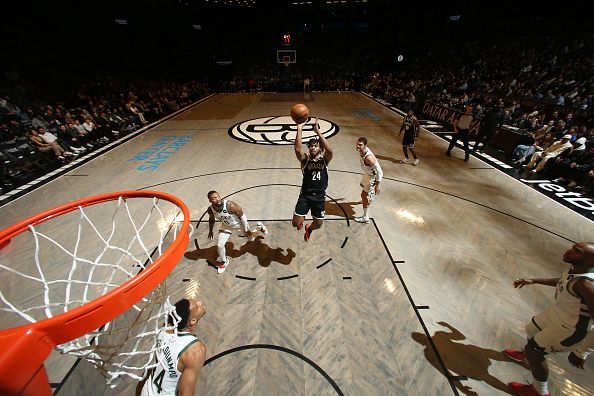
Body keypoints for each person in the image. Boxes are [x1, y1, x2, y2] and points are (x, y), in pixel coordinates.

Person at [503, 242, 594, 396]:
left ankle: (539, 391)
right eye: (572, 247)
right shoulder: (576, 270)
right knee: (531, 329)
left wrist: (582, 352)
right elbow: (563, 281)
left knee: (534, 351)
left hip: (570, 329)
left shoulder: (587, 285)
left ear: (592, 262)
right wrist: (535, 280)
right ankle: (527, 356)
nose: (569, 251)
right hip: (558, 315)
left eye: (576, 251)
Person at [141, 298, 207, 396]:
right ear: (193, 321)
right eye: (197, 306)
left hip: (147, 390)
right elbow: (185, 393)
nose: (200, 302)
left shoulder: (165, 329)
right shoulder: (195, 350)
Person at [207, 191, 268, 274]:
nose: (218, 199)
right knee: (220, 245)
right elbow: (211, 219)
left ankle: (259, 227)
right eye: (214, 198)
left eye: (218, 196)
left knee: (251, 239)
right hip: (226, 226)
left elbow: (243, 216)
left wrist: (246, 229)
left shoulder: (230, 205)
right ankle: (224, 261)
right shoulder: (210, 209)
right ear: (210, 200)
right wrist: (210, 230)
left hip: (238, 225)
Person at [292, 118, 333, 241]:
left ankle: (309, 228)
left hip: (319, 197)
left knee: (318, 224)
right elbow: (298, 150)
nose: (312, 148)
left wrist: (318, 132)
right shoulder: (305, 160)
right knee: (295, 224)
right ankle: (301, 220)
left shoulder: (325, 160)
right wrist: (299, 128)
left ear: (320, 148)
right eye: (310, 146)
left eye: (315, 146)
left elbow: (330, 150)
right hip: (305, 195)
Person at [354, 137, 383, 224]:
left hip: (372, 177)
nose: (358, 146)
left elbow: (380, 172)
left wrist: (377, 185)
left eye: (360, 145)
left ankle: (366, 217)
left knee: (363, 194)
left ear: (365, 146)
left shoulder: (369, 158)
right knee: (363, 187)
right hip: (368, 174)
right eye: (357, 144)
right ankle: (369, 198)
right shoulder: (362, 151)